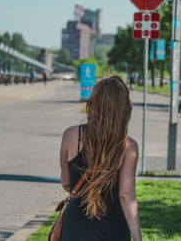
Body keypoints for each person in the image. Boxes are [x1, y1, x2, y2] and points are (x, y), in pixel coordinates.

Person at [60, 76, 142, 241]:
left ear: (93, 104)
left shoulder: (71, 135)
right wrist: (138, 238)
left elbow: (67, 183)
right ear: (124, 108)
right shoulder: (128, 146)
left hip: (75, 227)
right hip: (113, 230)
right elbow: (126, 195)